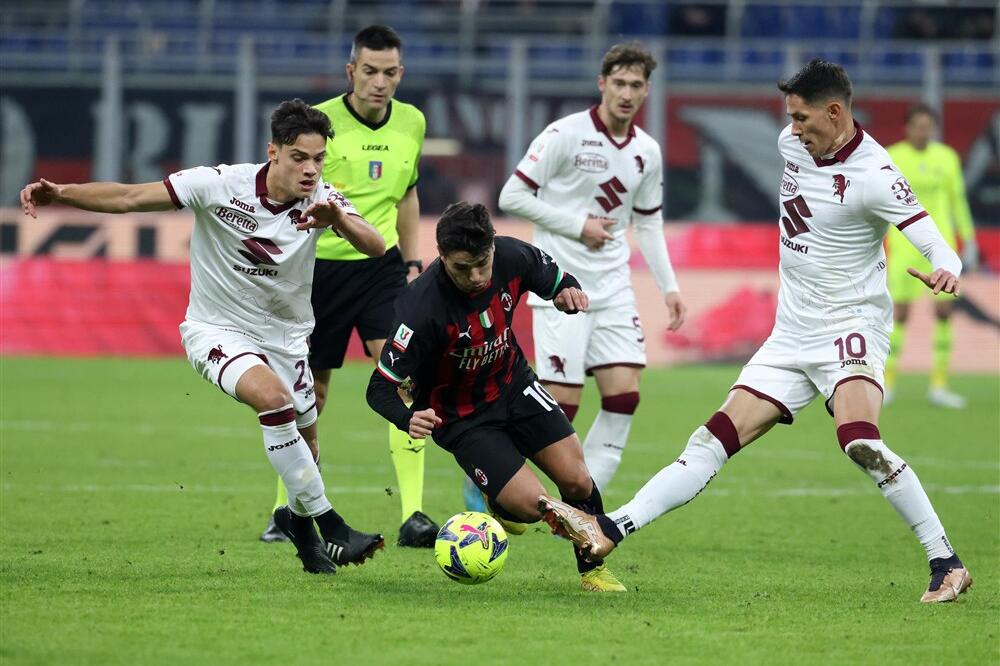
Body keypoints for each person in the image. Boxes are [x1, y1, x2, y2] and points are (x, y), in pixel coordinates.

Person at [538, 60, 973, 604]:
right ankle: (610, 529)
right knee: (710, 440)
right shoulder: (793, 145)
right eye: (790, 118)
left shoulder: (875, 174)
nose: (793, 129)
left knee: (859, 440)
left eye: (802, 118)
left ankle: (946, 562)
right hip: (790, 334)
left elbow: (935, 241)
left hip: (850, 326)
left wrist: (946, 269)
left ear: (834, 112)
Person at [21, 99, 387, 575]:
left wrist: (337, 219)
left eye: (318, 159)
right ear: (273, 152)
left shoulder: (323, 199)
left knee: (307, 442)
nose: (310, 170)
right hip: (217, 329)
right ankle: (332, 525)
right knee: (273, 401)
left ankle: (297, 524)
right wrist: (62, 193)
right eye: (299, 157)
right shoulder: (221, 184)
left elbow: (375, 245)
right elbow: (130, 198)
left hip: (286, 336)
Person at [366, 202, 627, 592]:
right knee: (530, 506)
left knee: (577, 480)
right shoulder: (419, 308)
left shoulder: (512, 255)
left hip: (515, 386)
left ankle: (593, 572)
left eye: (481, 264)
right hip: (463, 419)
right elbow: (378, 388)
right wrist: (407, 418)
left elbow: (557, 279)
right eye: (461, 268)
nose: (474, 277)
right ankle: (502, 500)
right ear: (441, 256)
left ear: (492, 248)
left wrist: (566, 292)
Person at [259, 26, 440, 548]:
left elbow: (407, 195)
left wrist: (413, 261)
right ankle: (287, 510)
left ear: (401, 74)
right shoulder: (317, 125)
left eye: (390, 73)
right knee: (308, 393)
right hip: (319, 272)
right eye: (370, 71)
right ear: (351, 71)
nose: (380, 82)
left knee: (404, 377)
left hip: (381, 267)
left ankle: (414, 515)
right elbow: (278, 190)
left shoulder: (413, 121)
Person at [498, 41, 685, 493]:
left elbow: (649, 222)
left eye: (636, 85)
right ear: (602, 83)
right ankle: (501, 472)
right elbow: (511, 196)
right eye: (619, 83)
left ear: (647, 90)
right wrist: (578, 225)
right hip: (560, 286)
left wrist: (670, 287)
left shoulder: (647, 151)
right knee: (562, 407)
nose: (626, 93)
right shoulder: (565, 134)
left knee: (624, 397)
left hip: (614, 287)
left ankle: (586, 503)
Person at [884, 103, 978, 409]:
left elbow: (957, 201)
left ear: (934, 129)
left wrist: (969, 240)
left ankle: (939, 385)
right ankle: (888, 384)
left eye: (927, 127)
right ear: (907, 128)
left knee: (944, 311)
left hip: (940, 247)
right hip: (903, 248)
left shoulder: (947, 158)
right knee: (900, 314)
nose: (922, 132)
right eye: (917, 126)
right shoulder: (891, 156)